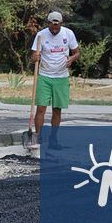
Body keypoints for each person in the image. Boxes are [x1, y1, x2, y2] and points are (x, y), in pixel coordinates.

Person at [29, 11, 80, 150]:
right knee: (41, 108)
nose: (55, 29)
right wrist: (36, 57)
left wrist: (71, 59)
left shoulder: (68, 34)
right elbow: (33, 56)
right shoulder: (41, 35)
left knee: (57, 110)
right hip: (45, 76)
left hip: (61, 77)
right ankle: (38, 138)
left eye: (57, 27)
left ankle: (53, 140)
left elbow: (77, 52)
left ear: (61, 23)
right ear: (48, 23)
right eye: (52, 26)